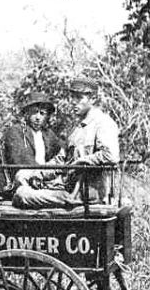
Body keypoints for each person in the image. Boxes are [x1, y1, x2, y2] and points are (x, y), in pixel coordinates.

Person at [12, 78, 119, 209]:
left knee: (22, 195)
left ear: (93, 99)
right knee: (22, 175)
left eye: (79, 98)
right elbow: (60, 160)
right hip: (70, 188)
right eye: (72, 97)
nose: (73, 102)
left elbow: (111, 155)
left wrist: (82, 161)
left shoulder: (103, 123)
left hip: (88, 194)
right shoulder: (76, 129)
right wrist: (35, 173)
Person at [0, 92, 65, 198]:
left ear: (47, 117)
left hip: (40, 182)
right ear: (27, 114)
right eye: (34, 112)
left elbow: (62, 151)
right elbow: (23, 161)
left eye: (42, 114)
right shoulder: (17, 131)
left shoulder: (48, 134)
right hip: (17, 185)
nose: (38, 117)